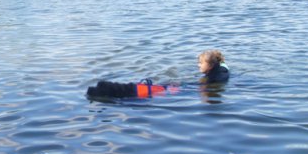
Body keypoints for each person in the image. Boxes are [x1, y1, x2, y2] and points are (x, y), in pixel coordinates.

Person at [87, 49, 229, 99]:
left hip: (185, 88)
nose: (198, 65)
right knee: (159, 87)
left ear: (210, 65)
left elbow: (221, 74)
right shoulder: (218, 70)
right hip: (185, 86)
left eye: (200, 63)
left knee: (156, 89)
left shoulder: (217, 77)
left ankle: (110, 90)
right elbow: (223, 67)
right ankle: (110, 89)